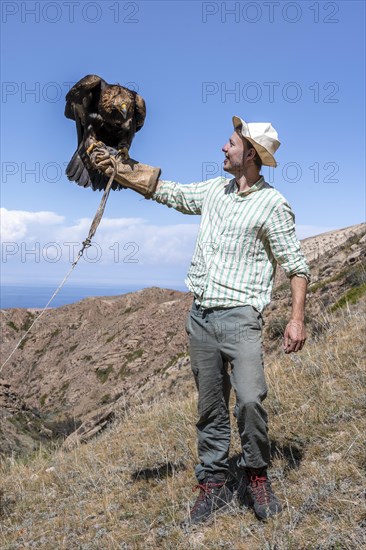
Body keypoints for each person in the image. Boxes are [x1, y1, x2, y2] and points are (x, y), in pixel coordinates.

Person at [87, 116, 310, 524]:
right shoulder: (213, 191)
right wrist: (120, 169)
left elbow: (296, 267)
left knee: (248, 401)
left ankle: (257, 474)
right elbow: (169, 192)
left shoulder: (273, 205)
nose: (223, 149)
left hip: (242, 318)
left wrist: (296, 319)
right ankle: (211, 484)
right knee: (210, 409)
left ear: (251, 155)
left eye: (229, 144)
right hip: (201, 318)